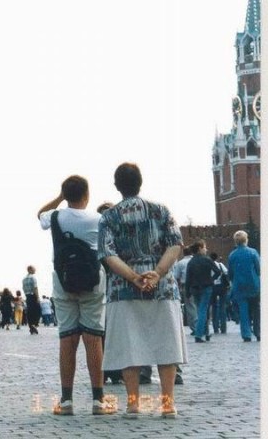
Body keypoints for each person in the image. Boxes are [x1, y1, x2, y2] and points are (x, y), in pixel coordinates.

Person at [97, 163, 186, 418]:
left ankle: (133, 404)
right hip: (163, 287)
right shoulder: (161, 210)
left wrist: (134, 277)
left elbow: (108, 254)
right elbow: (175, 245)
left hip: (123, 288)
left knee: (129, 346)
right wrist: (157, 272)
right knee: (167, 344)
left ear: (117, 186)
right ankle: (168, 404)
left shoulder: (108, 217)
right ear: (140, 182)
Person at [38, 175, 114, 416]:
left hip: (63, 281)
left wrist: (60, 197)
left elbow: (40, 214)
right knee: (93, 338)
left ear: (66, 195)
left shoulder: (55, 216)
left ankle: (66, 401)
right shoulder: (99, 219)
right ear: (87, 194)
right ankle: (98, 400)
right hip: (93, 281)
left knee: (67, 338)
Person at [184, 240, 221, 343]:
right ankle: (199, 334)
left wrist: (187, 291)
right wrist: (211, 280)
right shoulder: (207, 260)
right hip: (206, 287)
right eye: (205, 247)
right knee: (203, 310)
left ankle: (206, 332)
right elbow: (218, 271)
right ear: (200, 248)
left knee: (200, 309)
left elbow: (188, 278)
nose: (206, 249)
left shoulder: (191, 262)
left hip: (195, 288)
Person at [228, 230, 260, 343]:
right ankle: (258, 332)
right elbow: (259, 269)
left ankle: (246, 334)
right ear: (246, 240)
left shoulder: (232, 255)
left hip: (239, 286)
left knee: (243, 311)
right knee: (256, 309)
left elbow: (230, 273)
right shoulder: (253, 252)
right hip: (253, 284)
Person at [209, 252, 229, 334]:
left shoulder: (208, 265)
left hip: (212, 287)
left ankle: (215, 327)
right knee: (222, 306)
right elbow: (226, 273)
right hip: (222, 287)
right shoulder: (220, 265)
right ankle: (223, 328)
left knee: (214, 307)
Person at [22, 266, 41, 335]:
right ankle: (34, 324)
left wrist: (26, 295)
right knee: (38, 310)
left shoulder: (24, 279)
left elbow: (23, 288)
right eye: (34, 269)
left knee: (30, 311)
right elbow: (35, 288)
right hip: (33, 296)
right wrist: (38, 297)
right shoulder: (33, 278)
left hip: (27, 296)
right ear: (30, 270)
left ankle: (31, 326)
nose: (35, 270)